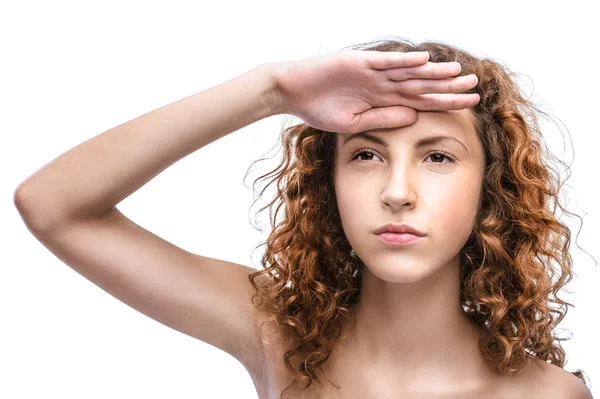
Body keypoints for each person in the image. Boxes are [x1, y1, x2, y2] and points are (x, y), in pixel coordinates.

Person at [13, 37, 593, 399]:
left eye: (437, 157)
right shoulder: (276, 337)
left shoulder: (550, 396)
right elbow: (53, 206)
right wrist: (271, 90)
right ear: (328, 180)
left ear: (491, 188)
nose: (396, 192)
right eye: (366, 154)